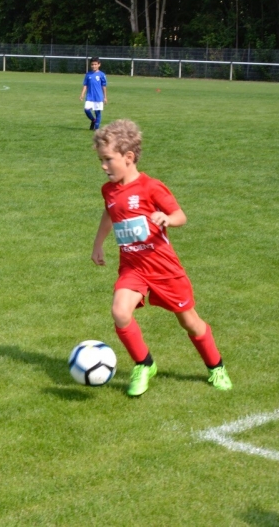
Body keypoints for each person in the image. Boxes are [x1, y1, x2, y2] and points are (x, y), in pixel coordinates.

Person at [90, 119, 232, 396]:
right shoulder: (108, 190)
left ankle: (216, 367)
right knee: (120, 311)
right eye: (101, 160)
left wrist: (167, 218)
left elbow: (180, 216)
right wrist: (98, 244)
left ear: (128, 157)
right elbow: (109, 212)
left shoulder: (151, 187)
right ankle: (144, 364)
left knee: (189, 322)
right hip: (132, 266)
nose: (103, 166)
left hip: (163, 267)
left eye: (108, 159)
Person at [80, 57, 107, 130]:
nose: (94, 66)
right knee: (86, 110)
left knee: (97, 112)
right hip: (90, 96)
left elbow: (104, 86)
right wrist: (82, 94)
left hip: (98, 97)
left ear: (99, 65)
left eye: (95, 64)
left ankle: (96, 128)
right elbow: (85, 85)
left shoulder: (102, 75)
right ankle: (93, 120)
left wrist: (105, 97)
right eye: (92, 64)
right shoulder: (88, 74)